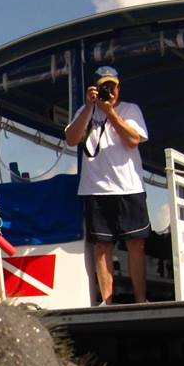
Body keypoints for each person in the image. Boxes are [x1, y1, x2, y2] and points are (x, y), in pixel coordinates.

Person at [64, 65, 150, 305]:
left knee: (136, 243)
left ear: (118, 87)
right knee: (102, 246)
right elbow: (71, 140)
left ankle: (141, 300)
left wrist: (110, 112)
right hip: (95, 189)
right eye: (104, 87)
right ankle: (107, 302)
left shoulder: (130, 109)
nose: (109, 91)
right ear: (94, 88)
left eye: (112, 86)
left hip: (129, 187)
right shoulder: (85, 111)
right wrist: (90, 107)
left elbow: (133, 140)